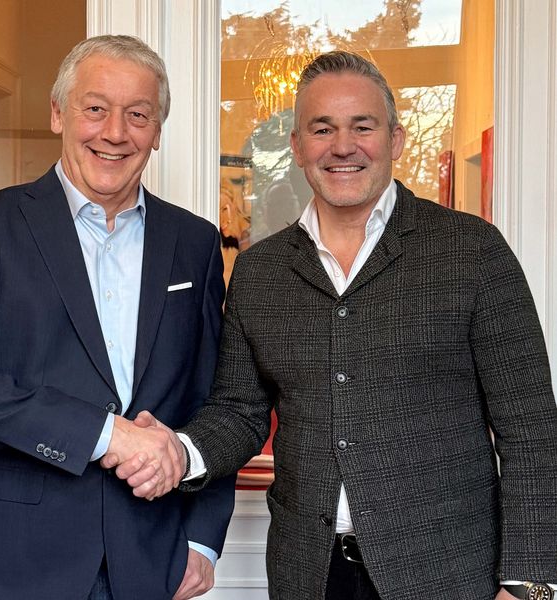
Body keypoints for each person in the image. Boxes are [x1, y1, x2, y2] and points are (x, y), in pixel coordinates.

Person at [122, 51, 557, 600]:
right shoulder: (260, 271)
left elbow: (531, 429)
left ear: (396, 140)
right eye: (322, 128)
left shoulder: (472, 250)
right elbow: (238, 411)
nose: (343, 146)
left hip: (449, 577)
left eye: (362, 127)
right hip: (309, 576)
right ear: (298, 146)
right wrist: (181, 451)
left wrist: (528, 584)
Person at [0, 35, 234, 600]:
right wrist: (104, 435)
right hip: (1, 565)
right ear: (58, 113)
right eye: (95, 108)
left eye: (138, 115)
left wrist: (203, 539)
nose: (115, 132)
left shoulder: (194, 242)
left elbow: (215, 398)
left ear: (157, 130)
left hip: (145, 561)